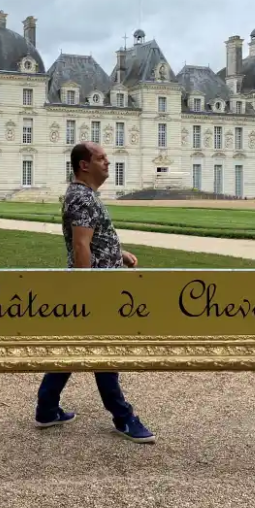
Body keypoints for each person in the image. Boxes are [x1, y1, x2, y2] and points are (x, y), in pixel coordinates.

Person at [33, 141, 156, 444]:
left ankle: (46, 408)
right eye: (101, 158)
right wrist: (86, 290)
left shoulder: (86, 196)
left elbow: (92, 237)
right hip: (96, 288)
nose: (108, 162)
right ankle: (123, 416)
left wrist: (119, 252)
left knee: (75, 347)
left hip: (99, 282)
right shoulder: (81, 197)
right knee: (104, 351)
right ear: (84, 165)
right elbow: (80, 245)